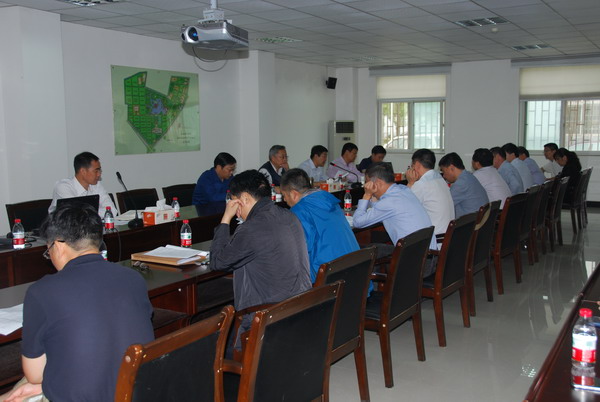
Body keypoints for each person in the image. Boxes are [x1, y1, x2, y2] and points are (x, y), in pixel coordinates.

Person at [2, 204, 154, 402]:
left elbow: (35, 375)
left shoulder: (41, 292)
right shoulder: (134, 278)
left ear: (58, 246)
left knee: (14, 393)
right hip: (134, 392)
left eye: (48, 251)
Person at [209, 170, 311, 344]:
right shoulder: (288, 216)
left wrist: (225, 219)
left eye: (233, 202)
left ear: (245, 198)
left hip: (267, 321)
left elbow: (217, 261)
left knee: (216, 340)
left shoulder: (252, 228)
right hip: (298, 309)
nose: (236, 211)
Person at [353, 163, 436, 274]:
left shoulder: (389, 202)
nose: (366, 186)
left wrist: (367, 195)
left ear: (377, 183)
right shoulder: (403, 190)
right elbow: (380, 210)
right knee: (376, 247)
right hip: (429, 256)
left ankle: (376, 281)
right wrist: (373, 195)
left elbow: (357, 222)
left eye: (367, 182)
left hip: (416, 264)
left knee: (367, 252)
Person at [280, 168, 359, 281]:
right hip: (356, 274)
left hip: (330, 280)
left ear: (293, 194)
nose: (284, 200)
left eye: (284, 195)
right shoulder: (329, 201)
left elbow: (299, 251)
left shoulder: (300, 211)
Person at [48, 151, 116, 215]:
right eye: (96, 171)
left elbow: (112, 210)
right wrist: (96, 212)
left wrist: (88, 212)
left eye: (100, 170)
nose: (99, 174)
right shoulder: (63, 187)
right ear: (83, 171)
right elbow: (76, 214)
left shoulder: (96, 185)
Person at [405, 149, 455, 236]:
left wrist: (410, 183)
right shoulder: (440, 179)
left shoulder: (421, 184)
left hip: (435, 238)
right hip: (448, 236)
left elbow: (404, 207)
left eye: (412, 165)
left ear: (417, 165)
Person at [439, 152, 489, 218]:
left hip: (471, 222)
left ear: (451, 168)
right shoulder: (469, 176)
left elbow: (443, 206)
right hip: (480, 220)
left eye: (444, 171)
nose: (444, 176)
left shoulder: (461, 184)